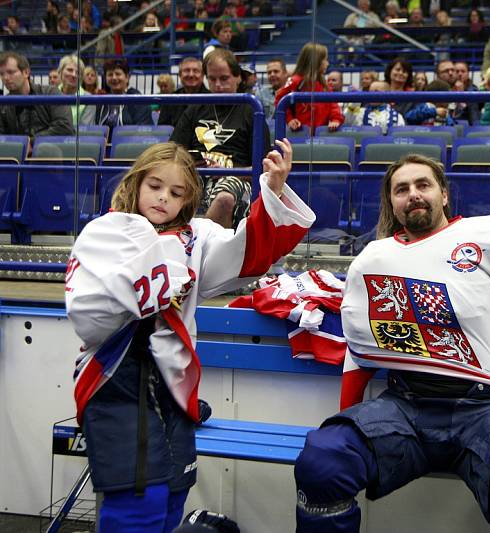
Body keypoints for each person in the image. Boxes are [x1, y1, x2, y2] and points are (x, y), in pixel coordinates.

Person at [294, 153, 490, 533]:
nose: (413, 194)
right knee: (324, 460)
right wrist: (346, 423)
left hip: (485, 408)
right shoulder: (373, 258)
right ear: (391, 203)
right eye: (402, 189)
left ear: (444, 194)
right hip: (405, 406)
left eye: (423, 185)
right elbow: (360, 349)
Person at [65, 139, 314, 533]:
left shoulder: (198, 236)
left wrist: (275, 190)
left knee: (174, 496)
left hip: (174, 388)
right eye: (155, 186)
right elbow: (86, 314)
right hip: (114, 380)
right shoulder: (105, 231)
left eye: (176, 192)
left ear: (189, 198)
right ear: (136, 183)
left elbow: (249, 253)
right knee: (138, 503)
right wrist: (159, 285)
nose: (164, 198)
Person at [171, 49, 270, 230]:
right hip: (195, 176)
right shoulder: (195, 108)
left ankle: (207, 248)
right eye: (212, 79)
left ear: (237, 77)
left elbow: (262, 168)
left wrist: (227, 170)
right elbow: (172, 150)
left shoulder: (252, 111)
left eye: (224, 79)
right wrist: (190, 164)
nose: (218, 85)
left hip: (237, 180)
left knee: (224, 198)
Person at [0, 51, 74, 138]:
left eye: (10, 72)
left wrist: (31, 142)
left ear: (26, 72)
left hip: (48, 154)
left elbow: (65, 127)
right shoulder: (0, 106)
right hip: (16, 156)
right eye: (1, 73)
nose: (5, 77)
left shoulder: (51, 93)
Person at [275, 42, 343, 133]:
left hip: (322, 136)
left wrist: (336, 120)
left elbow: (333, 107)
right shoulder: (295, 81)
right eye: (325, 60)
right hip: (299, 134)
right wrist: (290, 119)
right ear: (317, 61)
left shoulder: (325, 85)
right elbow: (279, 100)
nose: (327, 63)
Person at [95, 58, 152, 127]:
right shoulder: (102, 103)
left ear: (127, 77)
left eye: (118, 74)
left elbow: (141, 132)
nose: (114, 78)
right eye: (110, 74)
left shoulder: (139, 101)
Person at [158, 57, 209, 128]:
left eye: (196, 71)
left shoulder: (212, 99)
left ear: (203, 75)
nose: (191, 75)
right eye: (187, 71)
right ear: (180, 75)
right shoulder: (170, 100)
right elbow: (163, 131)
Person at [57, 55, 96, 127]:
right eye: (70, 70)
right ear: (60, 72)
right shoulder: (49, 94)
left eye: (78, 72)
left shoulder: (89, 98)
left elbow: (84, 130)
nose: (74, 75)